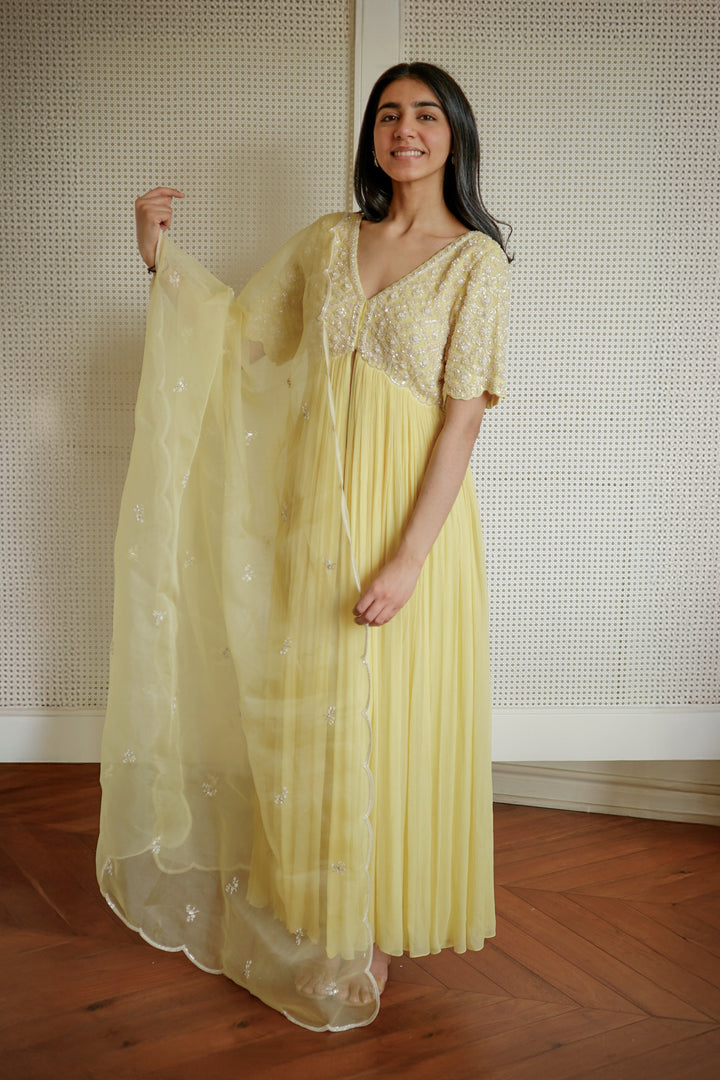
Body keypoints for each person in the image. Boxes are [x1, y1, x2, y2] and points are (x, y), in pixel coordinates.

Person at [97, 61, 511, 1032]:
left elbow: (461, 421)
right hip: (311, 516)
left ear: (453, 134)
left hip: (410, 525)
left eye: (424, 115)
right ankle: (322, 914)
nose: (404, 129)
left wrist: (409, 559)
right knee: (314, 716)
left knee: (391, 721)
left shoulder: (475, 264)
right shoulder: (331, 242)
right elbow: (239, 339)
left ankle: (375, 927)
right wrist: (159, 259)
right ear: (372, 137)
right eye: (388, 115)